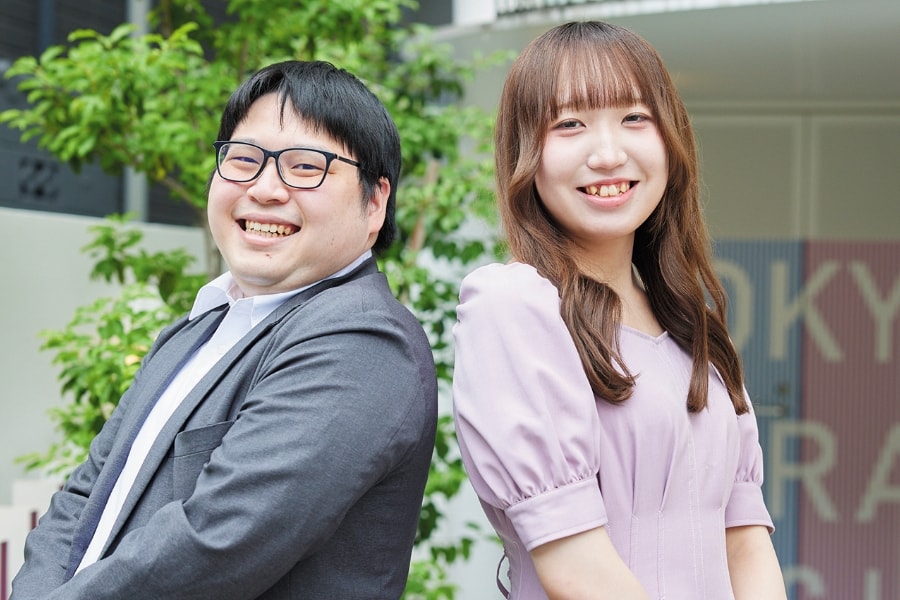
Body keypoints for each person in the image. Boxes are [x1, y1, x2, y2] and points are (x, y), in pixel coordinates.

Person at [12, 60, 437, 600]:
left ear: (374, 203)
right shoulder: (196, 330)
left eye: (306, 167)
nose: (265, 188)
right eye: (243, 159)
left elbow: (214, 545)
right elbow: (83, 497)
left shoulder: (363, 340)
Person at [452, 21, 786, 600]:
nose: (608, 154)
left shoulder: (694, 331)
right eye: (569, 124)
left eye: (635, 117)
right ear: (526, 153)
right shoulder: (515, 306)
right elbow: (575, 568)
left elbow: (745, 543)